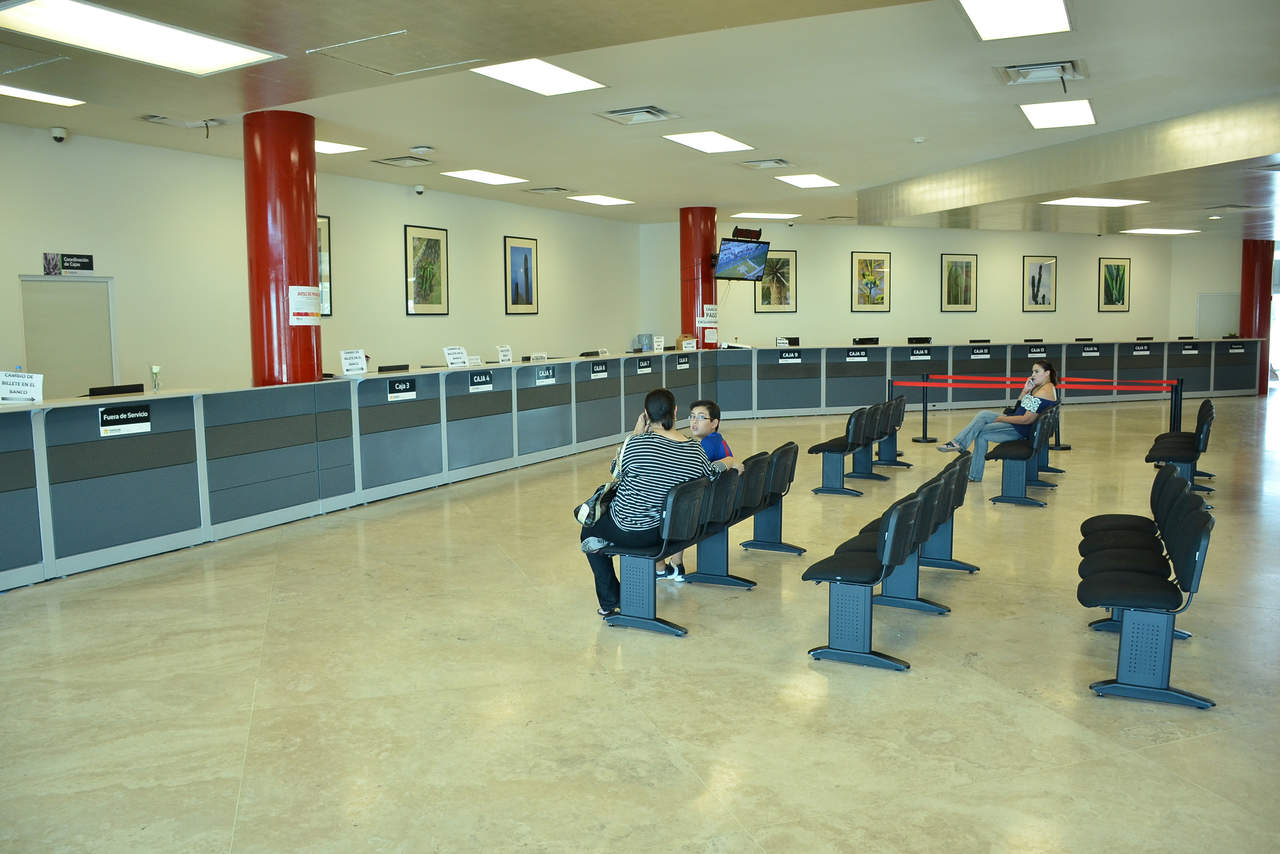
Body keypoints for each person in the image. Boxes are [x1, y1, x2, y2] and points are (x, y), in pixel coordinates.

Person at [580, 388, 717, 618]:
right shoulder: (695, 450)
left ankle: (611, 601)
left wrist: (635, 434)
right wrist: (728, 462)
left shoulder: (636, 445)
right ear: (675, 411)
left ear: (646, 414)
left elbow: (615, 472)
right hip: (672, 532)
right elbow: (711, 475)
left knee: (589, 531)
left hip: (632, 531)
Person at [659, 399, 741, 582]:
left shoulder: (707, 445)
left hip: (710, 508)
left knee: (672, 505)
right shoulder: (716, 440)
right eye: (692, 417)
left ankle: (664, 567)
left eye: (701, 417)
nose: (694, 421)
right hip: (720, 502)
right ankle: (676, 564)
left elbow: (689, 472)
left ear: (714, 423)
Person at [937, 360, 1058, 482]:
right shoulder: (1042, 388)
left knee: (982, 426)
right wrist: (1025, 390)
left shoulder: (1042, 392)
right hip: (1016, 422)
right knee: (982, 421)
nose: (1033, 375)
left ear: (1047, 373)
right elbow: (1018, 407)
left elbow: (1027, 419)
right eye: (1032, 372)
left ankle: (961, 449)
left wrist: (1001, 419)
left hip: (1019, 428)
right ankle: (962, 451)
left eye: (1037, 372)